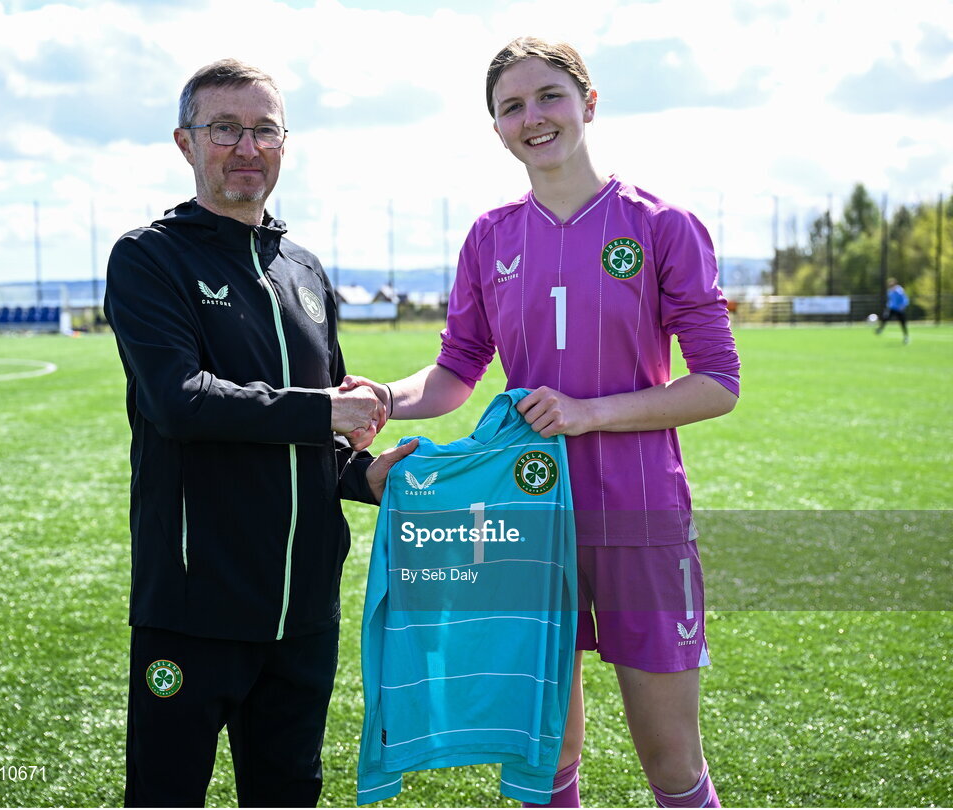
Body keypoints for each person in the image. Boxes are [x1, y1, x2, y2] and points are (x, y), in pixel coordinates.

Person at [343, 38, 740, 808]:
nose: (533, 118)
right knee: (542, 754)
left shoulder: (662, 225)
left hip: (640, 515)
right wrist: (386, 399)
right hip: (526, 517)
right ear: (496, 129)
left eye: (549, 96)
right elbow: (457, 372)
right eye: (511, 107)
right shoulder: (491, 237)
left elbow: (718, 383)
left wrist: (589, 414)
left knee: (670, 762)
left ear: (589, 103)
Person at [103, 58, 412, 808]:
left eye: (264, 130)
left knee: (288, 793)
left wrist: (361, 476)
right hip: (193, 607)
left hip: (304, 611)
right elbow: (181, 402)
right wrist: (322, 414)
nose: (247, 148)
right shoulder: (149, 258)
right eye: (225, 129)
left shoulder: (303, 268)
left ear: (285, 143)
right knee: (165, 793)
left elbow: (324, 433)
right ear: (186, 142)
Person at [876, 277, 910, 344]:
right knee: (885, 318)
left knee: (903, 323)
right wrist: (888, 307)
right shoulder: (890, 291)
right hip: (892, 309)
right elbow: (891, 301)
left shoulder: (899, 291)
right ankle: (880, 329)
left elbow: (905, 299)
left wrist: (903, 306)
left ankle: (906, 337)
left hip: (899, 309)